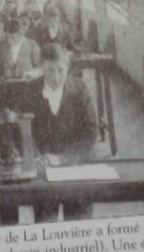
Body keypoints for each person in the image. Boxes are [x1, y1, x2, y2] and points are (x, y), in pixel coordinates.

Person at [26, 43, 98, 221]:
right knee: (45, 222)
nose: (56, 77)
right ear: (41, 68)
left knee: (78, 224)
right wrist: (35, 156)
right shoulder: (30, 90)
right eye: (49, 70)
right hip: (44, 168)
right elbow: (24, 130)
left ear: (68, 66)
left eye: (60, 70)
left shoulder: (80, 88)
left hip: (76, 164)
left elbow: (91, 132)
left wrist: (62, 159)